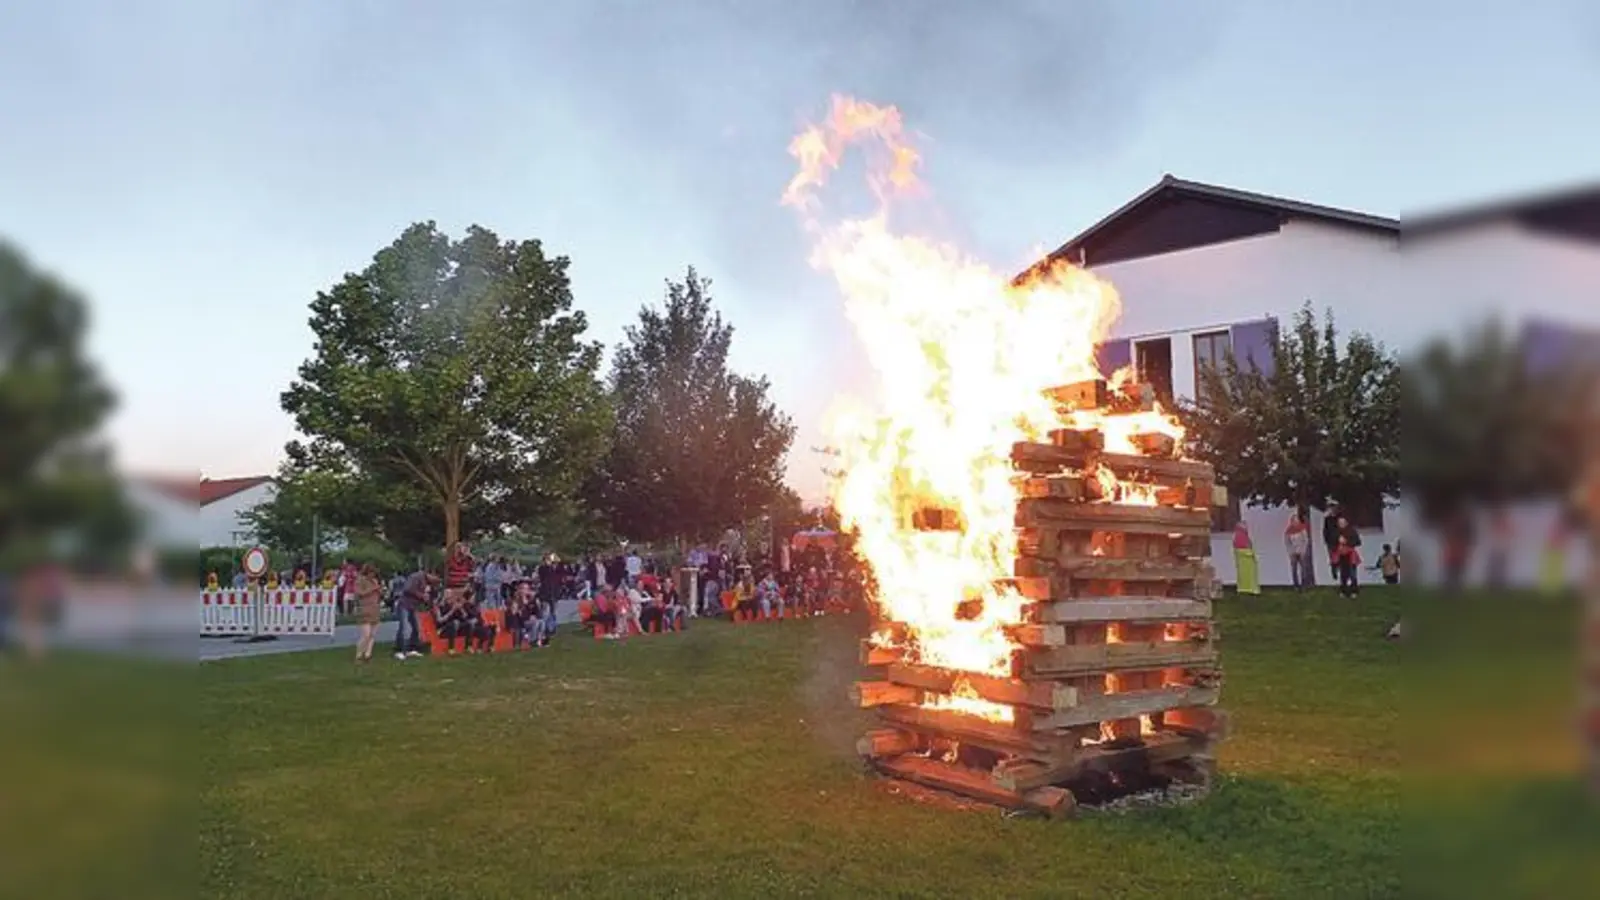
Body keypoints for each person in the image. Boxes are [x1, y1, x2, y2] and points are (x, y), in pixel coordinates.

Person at [393, 569, 436, 660]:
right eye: (435, 578)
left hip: (414, 606)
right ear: (430, 574)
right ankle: (400, 651)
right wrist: (421, 596)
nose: (434, 581)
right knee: (404, 627)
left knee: (416, 627)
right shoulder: (416, 577)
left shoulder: (427, 581)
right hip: (405, 604)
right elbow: (407, 589)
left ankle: (412, 649)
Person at [353, 563, 384, 662]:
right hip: (364, 609)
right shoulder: (360, 581)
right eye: (371, 573)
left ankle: (368, 654)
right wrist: (372, 589)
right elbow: (359, 593)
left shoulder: (375, 581)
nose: (373, 575)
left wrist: (380, 590)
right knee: (366, 634)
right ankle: (359, 654)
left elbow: (379, 594)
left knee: (372, 634)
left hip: (375, 608)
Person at [1333, 516, 1363, 598]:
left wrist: (1346, 541)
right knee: (1343, 575)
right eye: (1339, 523)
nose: (1341, 524)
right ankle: (1343, 591)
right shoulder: (1336, 532)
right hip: (1341, 555)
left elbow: (1358, 542)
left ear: (1346, 523)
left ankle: (1354, 591)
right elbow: (1333, 543)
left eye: (1342, 522)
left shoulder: (1352, 531)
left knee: (1352, 574)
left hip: (1350, 555)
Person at [1284, 510, 1313, 592]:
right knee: (1294, 569)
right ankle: (1296, 585)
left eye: (1296, 520)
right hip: (1293, 552)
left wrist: (1303, 550)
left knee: (1303, 568)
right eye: (1293, 520)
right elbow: (1287, 542)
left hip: (1301, 551)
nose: (1295, 522)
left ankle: (1304, 585)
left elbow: (1306, 540)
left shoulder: (1302, 529)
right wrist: (1290, 552)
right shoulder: (1288, 531)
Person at [1232, 521, 1260, 595]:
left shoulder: (1243, 535)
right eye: (1244, 525)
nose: (1246, 527)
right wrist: (1250, 553)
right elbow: (1240, 548)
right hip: (1245, 559)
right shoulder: (1239, 536)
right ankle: (1246, 589)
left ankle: (1248, 588)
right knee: (1245, 574)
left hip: (1247, 558)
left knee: (1249, 574)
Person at [1322, 504, 1344, 583]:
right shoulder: (1327, 519)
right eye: (1331, 509)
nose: (1332, 510)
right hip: (1330, 541)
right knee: (1333, 557)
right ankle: (1334, 570)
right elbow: (1325, 530)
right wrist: (1326, 539)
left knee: (1340, 556)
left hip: (1339, 541)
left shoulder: (1340, 518)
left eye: (1333, 508)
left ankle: (1341, 571)